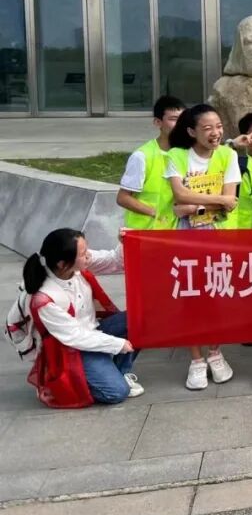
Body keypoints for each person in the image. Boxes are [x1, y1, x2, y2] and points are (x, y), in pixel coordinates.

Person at [23, 229, 142, 408]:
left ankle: (116, 371)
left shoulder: (74, 264)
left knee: (141, 318)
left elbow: (114, 261)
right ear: (63, 264)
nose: (88, 255)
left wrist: (124, 243)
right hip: (71, 349)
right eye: (83, 253)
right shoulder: (45, 298)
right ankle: (76, 380)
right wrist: (117, 344)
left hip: (93, 329)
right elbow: (75, 337)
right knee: (116, 392)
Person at [165, 103, 238, 390]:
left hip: (218, 235)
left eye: (218, 126)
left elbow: (231, 201)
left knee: (216, 296)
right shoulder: (176, 156)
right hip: (186, 237)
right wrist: (216, 200)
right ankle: (196, 360)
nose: (215, 133)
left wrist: (191, 205)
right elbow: (179, 194)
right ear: (191, 131)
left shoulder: (228, 155)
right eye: (207, 128)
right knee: (191, 297)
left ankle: (215, 352)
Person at [116, 95, 185, 230]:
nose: (180, 124)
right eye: (173, 119)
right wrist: (155, 213)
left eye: (183, 119)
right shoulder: (142, 156)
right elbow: (123, 198)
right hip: (145, 233)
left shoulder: (187, 153)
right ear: (158, 122)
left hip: (175, 233)